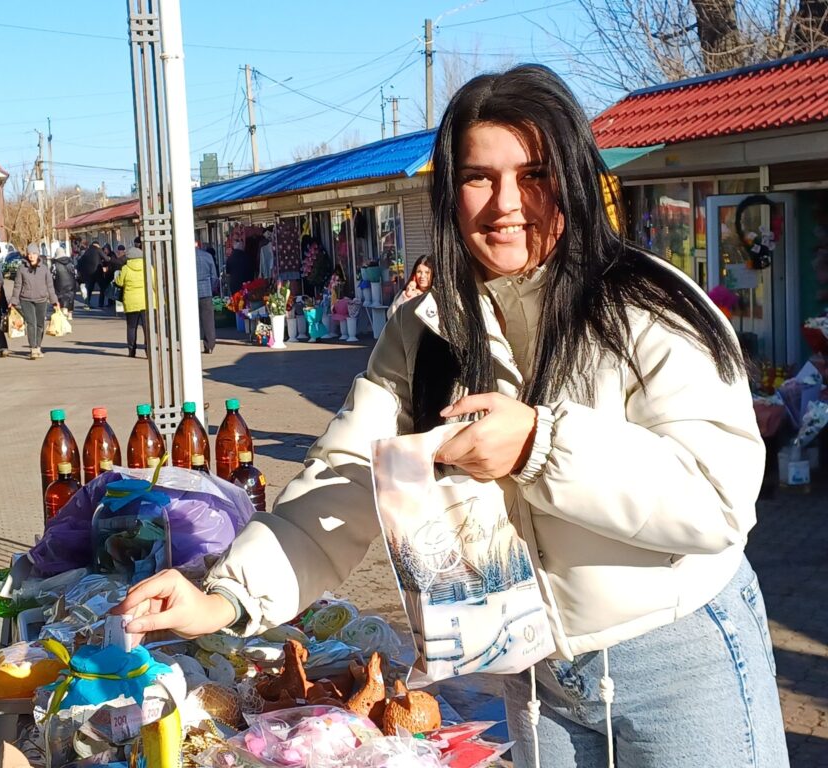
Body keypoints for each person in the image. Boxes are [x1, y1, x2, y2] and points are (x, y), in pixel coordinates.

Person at [113, 66, 788, 768]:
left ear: (576, 179)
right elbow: (341, 481)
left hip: (678, 660)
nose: (506, 204)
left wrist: (538, 444)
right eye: (478, 177)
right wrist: (224, 596)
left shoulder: (648, 307)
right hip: (535, 677)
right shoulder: (427, 329)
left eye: (534, 173)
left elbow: (717, 499)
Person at [11, 244, 59, 359]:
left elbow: (50, 286)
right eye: (29, 253)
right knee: (31, 323)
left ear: (38, 254)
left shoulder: (44, 269)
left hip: (42, 300)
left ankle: (38, 346)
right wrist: (13, 301)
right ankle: (33, 348)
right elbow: (17, 286)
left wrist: (54, 301)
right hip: (26, 300)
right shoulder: (22, 268)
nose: (31, 256)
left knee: (40, 324)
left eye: (33, 253)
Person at [114, 243, 153, 358]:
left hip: (131, 301)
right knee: (147, 328)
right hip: (147, 301)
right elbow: (154, 282)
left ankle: (132, 351)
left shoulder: (125, 268)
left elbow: (120, 282)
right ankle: (148, 351)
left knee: (131, 327)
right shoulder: (148, 267)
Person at [386, 255, 433, 320]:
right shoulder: (405, 293)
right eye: (419, 272)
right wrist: (406, 297)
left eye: (427, 272)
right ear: (414, 274)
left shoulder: (437, 293)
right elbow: (390, 315)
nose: (422, 276)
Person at [195, 245, 218, 354]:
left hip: (190, 292)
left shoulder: (183, 257)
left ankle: (192, 343)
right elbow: (214, 276)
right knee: (208, 319)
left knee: (192, 320)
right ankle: (209, 345)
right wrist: (211, 288)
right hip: (206, 291)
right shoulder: (207, 256)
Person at [51, 246, 78, 319]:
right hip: (71, 283)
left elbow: (52, 275)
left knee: (60, 297)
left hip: (59, 283)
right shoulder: (71, 262)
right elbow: (75, 273)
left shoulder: (55, 264)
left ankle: (63, 309)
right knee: (70, 297)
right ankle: (70, 314)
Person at [77, 241, 103, 308]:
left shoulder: (87, 251)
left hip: (88, 273)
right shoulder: (98, 250)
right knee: (103, 287)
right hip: (98, 272)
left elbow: (80, 261)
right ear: (97, 245)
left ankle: (87, 302)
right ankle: (101, 303)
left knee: (89, 288)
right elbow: (106, 258)